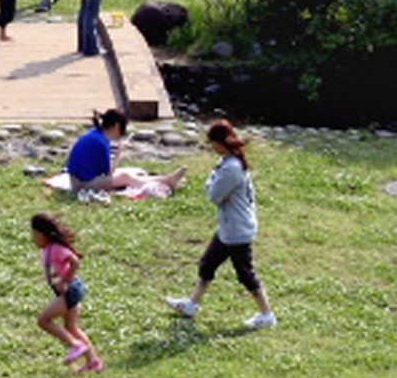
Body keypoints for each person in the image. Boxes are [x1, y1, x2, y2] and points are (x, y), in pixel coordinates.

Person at [164, 120, 278, 331]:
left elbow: (214, 195)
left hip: (237, 230)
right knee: (207, 264)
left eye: (213, 143)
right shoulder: (229, 161)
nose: (212, 147)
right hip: (229, 228)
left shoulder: (231, 168)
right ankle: (191, 305)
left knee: (245, 273)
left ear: (221, 143)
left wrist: (210, 179)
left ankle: (267, 314)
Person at [29, 212, 102, 373]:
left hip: (70, 290)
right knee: (71, 327)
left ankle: (75, 345)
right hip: (65, 291)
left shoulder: (56, 249)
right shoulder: (47, 249)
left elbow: (75, 261)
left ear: (44, 234)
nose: (34, 239)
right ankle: (93, 362)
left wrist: (65, 281)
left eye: (35, 235)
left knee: (43, 320)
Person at [64, 108, 188, 194]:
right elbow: (109, 173)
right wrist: (119, 152)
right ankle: (166, 181)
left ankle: (163, 180)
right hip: (82, 185)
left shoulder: (94, 134)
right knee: (125, 177)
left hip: (76, 180)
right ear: (116, 126)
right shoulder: (101, 142)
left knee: (132, 172)